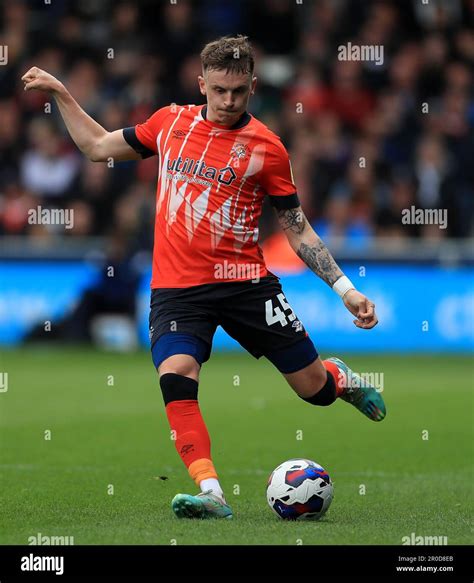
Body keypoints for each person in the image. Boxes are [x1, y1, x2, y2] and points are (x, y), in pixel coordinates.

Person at [22, 35, 385, 521]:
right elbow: (95, 146)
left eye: (238, 91)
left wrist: (346, 289)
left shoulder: (268, 149)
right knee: (176, 375)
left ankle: (337, 377)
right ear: (202, 84)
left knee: (312, 391)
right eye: (219, 90)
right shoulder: (168, 123)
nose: (229, 101)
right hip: (176, 289)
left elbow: (296, 230)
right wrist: (62, 93)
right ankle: (211, 492)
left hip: (246, 285)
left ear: (253, 86)